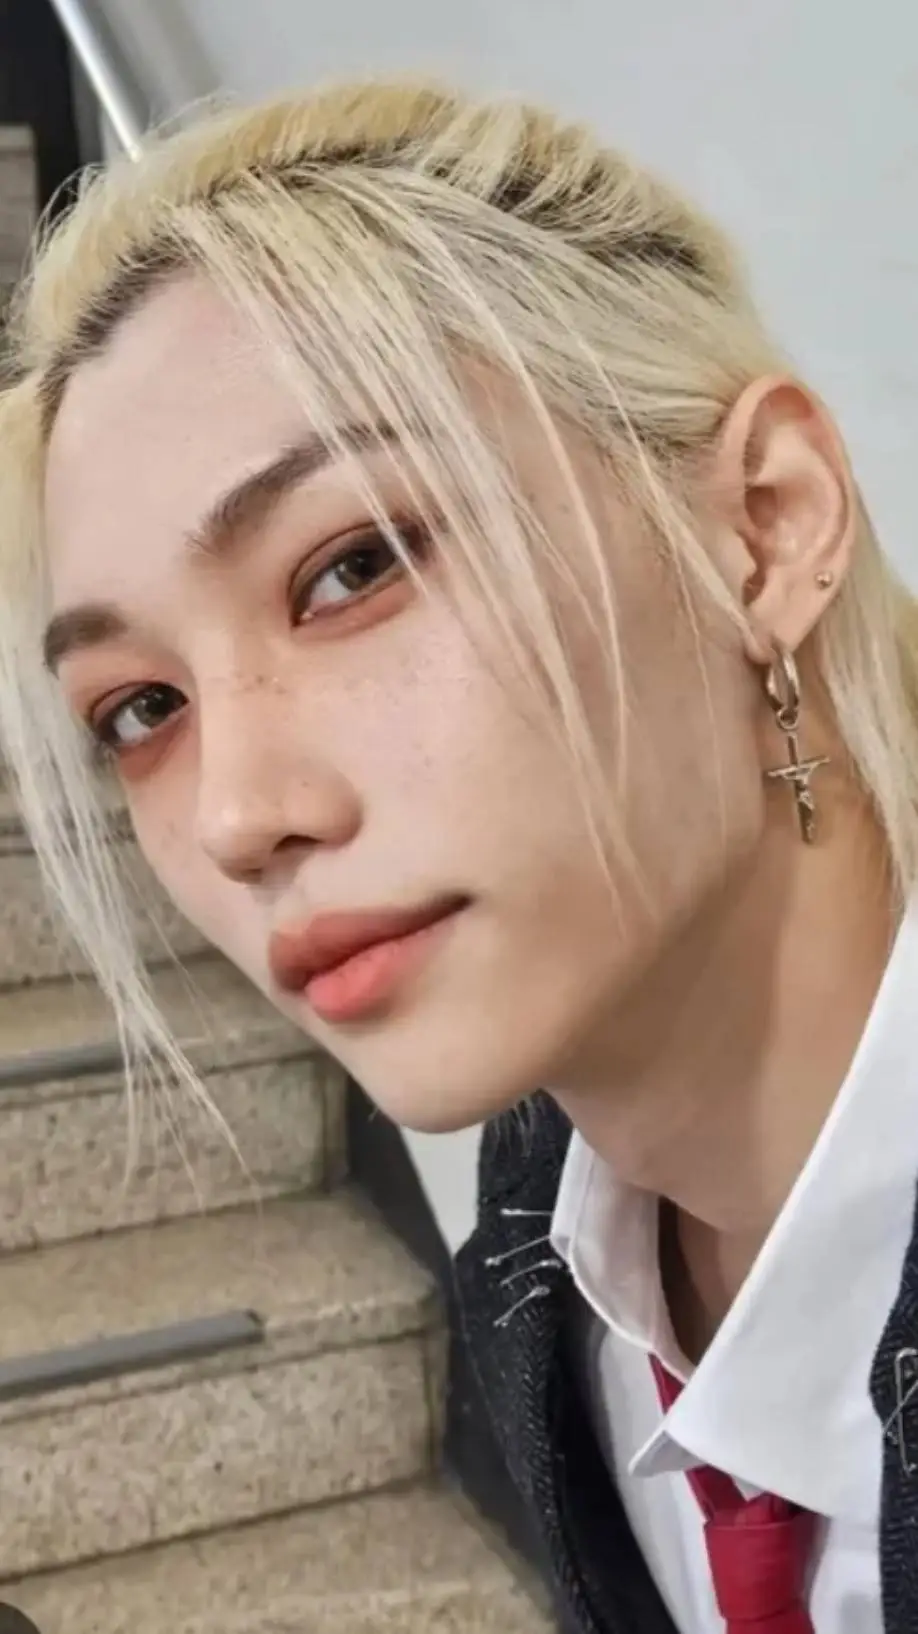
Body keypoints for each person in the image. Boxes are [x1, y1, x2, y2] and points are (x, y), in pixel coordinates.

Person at [0, 78, 916, 1634]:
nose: (234, 815)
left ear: (762, 526)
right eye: (140, 708)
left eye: (351, 566)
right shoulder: (534, 1228)